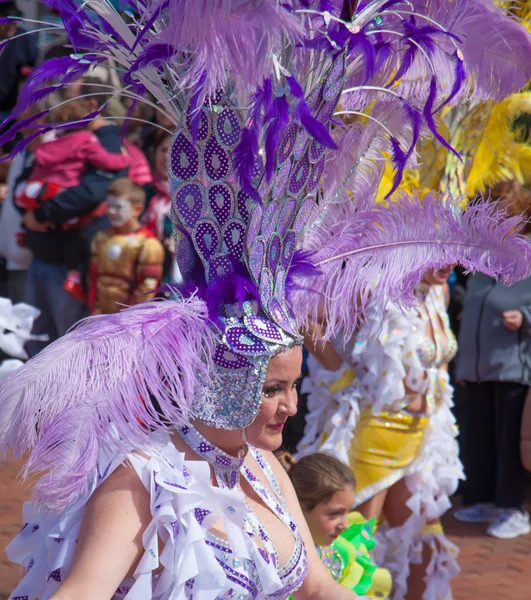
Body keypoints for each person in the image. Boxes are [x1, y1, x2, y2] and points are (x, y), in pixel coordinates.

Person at [0, 2, 530, 600]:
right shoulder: (143, 479)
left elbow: (317, 588)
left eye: (289, 388)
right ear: (220, 380)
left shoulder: (267, 468)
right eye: (271, 389)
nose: (289, 408)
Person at [298, 268, 462, 600]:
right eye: (439, 250)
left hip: (422, 439)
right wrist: (340, 371)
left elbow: (435, 366)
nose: (449, 263)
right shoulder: (371, 286)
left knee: (423, 543)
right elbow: (303, 311)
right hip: (373, 436)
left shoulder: (438, 293)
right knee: (356, 544)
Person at [454, 181, 531, 539]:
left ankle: (512, 508)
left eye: (502, 217)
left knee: (509, 443)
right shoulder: (479, 258)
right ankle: (482, 499)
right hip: (476, 368)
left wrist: (526, 319)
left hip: (514, 368)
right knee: (479, 438)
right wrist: (465, 363)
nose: (494, 223)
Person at [15, 97, 130, 300]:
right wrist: (124, 158)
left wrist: (38, 214)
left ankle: (71, 273)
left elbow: (92, 192)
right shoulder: (86, 140)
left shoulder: (55, 141)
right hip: (52, 216)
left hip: (40, 200)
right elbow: (110, 162)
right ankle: (73, 275)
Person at [278, 451, 392, 599]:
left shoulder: (342, 552)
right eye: (334, 513)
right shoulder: (279, 564)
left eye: (347, 511)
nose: (345, 524)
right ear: (298, 507)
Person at [88, 178, 164, 315]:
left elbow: (148, 287)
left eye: (118, 207)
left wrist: (128, 316)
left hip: (129, 321)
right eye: (109, 206)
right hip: (100, 316)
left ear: (137, 209)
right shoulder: (100, 239)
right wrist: (94, 308)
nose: (111, 211)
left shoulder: (148, 244)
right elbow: (93, 278)